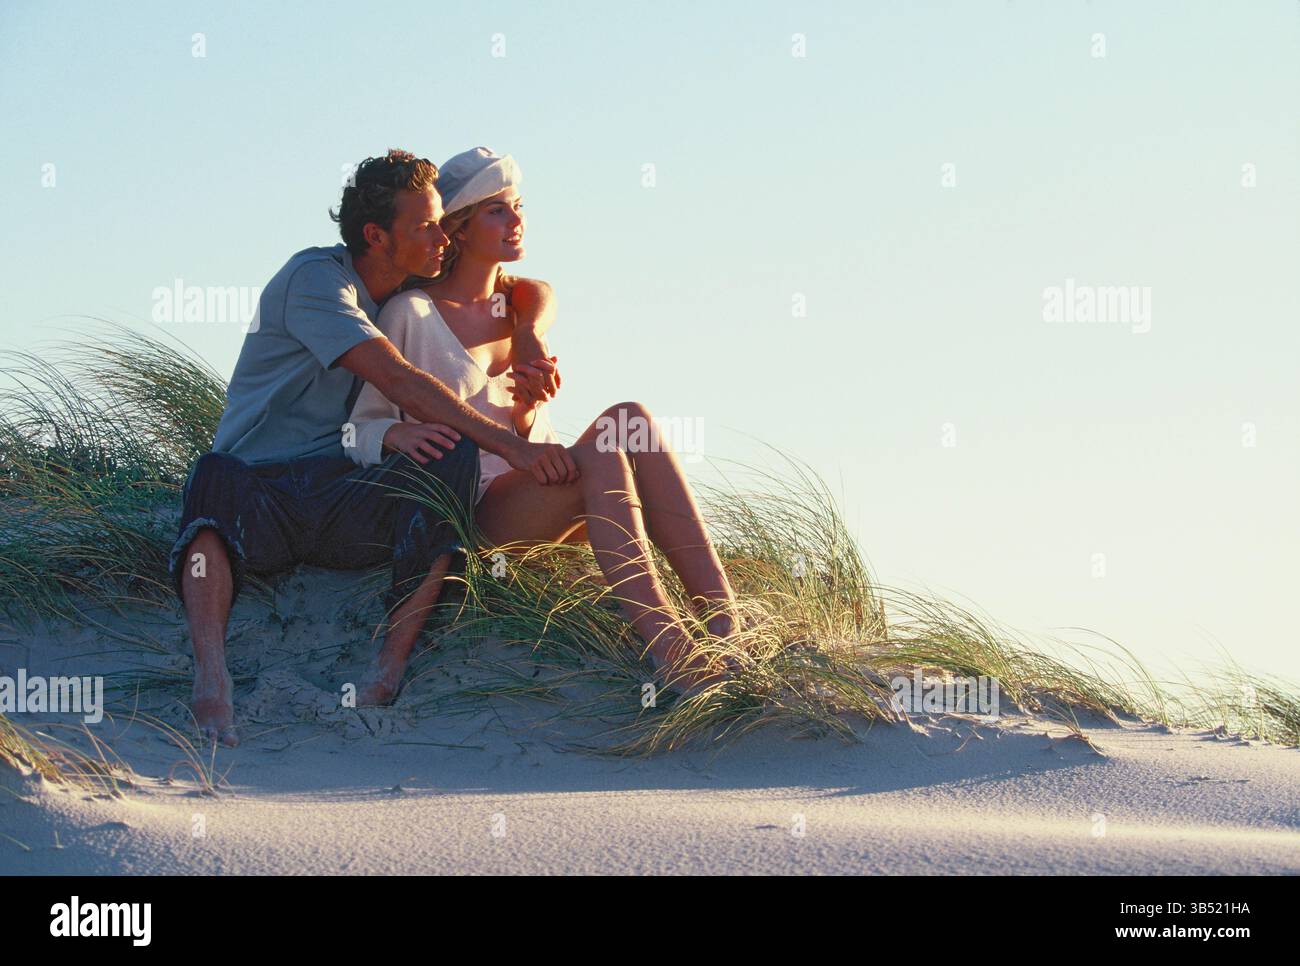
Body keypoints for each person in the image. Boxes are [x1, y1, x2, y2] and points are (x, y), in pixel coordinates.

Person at [170, 149, 579, 747]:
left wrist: (526, 334)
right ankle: (212, 678)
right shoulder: (316, 281)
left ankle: (386, 672)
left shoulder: (409, 277)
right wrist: (507, 445)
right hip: (263, 492)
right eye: (426, 225)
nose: (444, 236)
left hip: (344, 488)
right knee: (212, 474)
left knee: (450, 455)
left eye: (442, 222)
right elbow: (397, 379)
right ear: (375, 236)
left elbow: (530, 287)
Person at [347, 147, 740, 699]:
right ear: (457, 227)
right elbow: (359, 429)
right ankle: (670, 647)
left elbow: (532, 431)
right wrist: (395, 434)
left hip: (540, 500)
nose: (517, 220)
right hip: (472, 518)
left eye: (518, 205)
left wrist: (529, 409)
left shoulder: (519, 309)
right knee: (603, 449)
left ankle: (727, 624)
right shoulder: (409, 315)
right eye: (497, 211)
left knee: (630, 419)